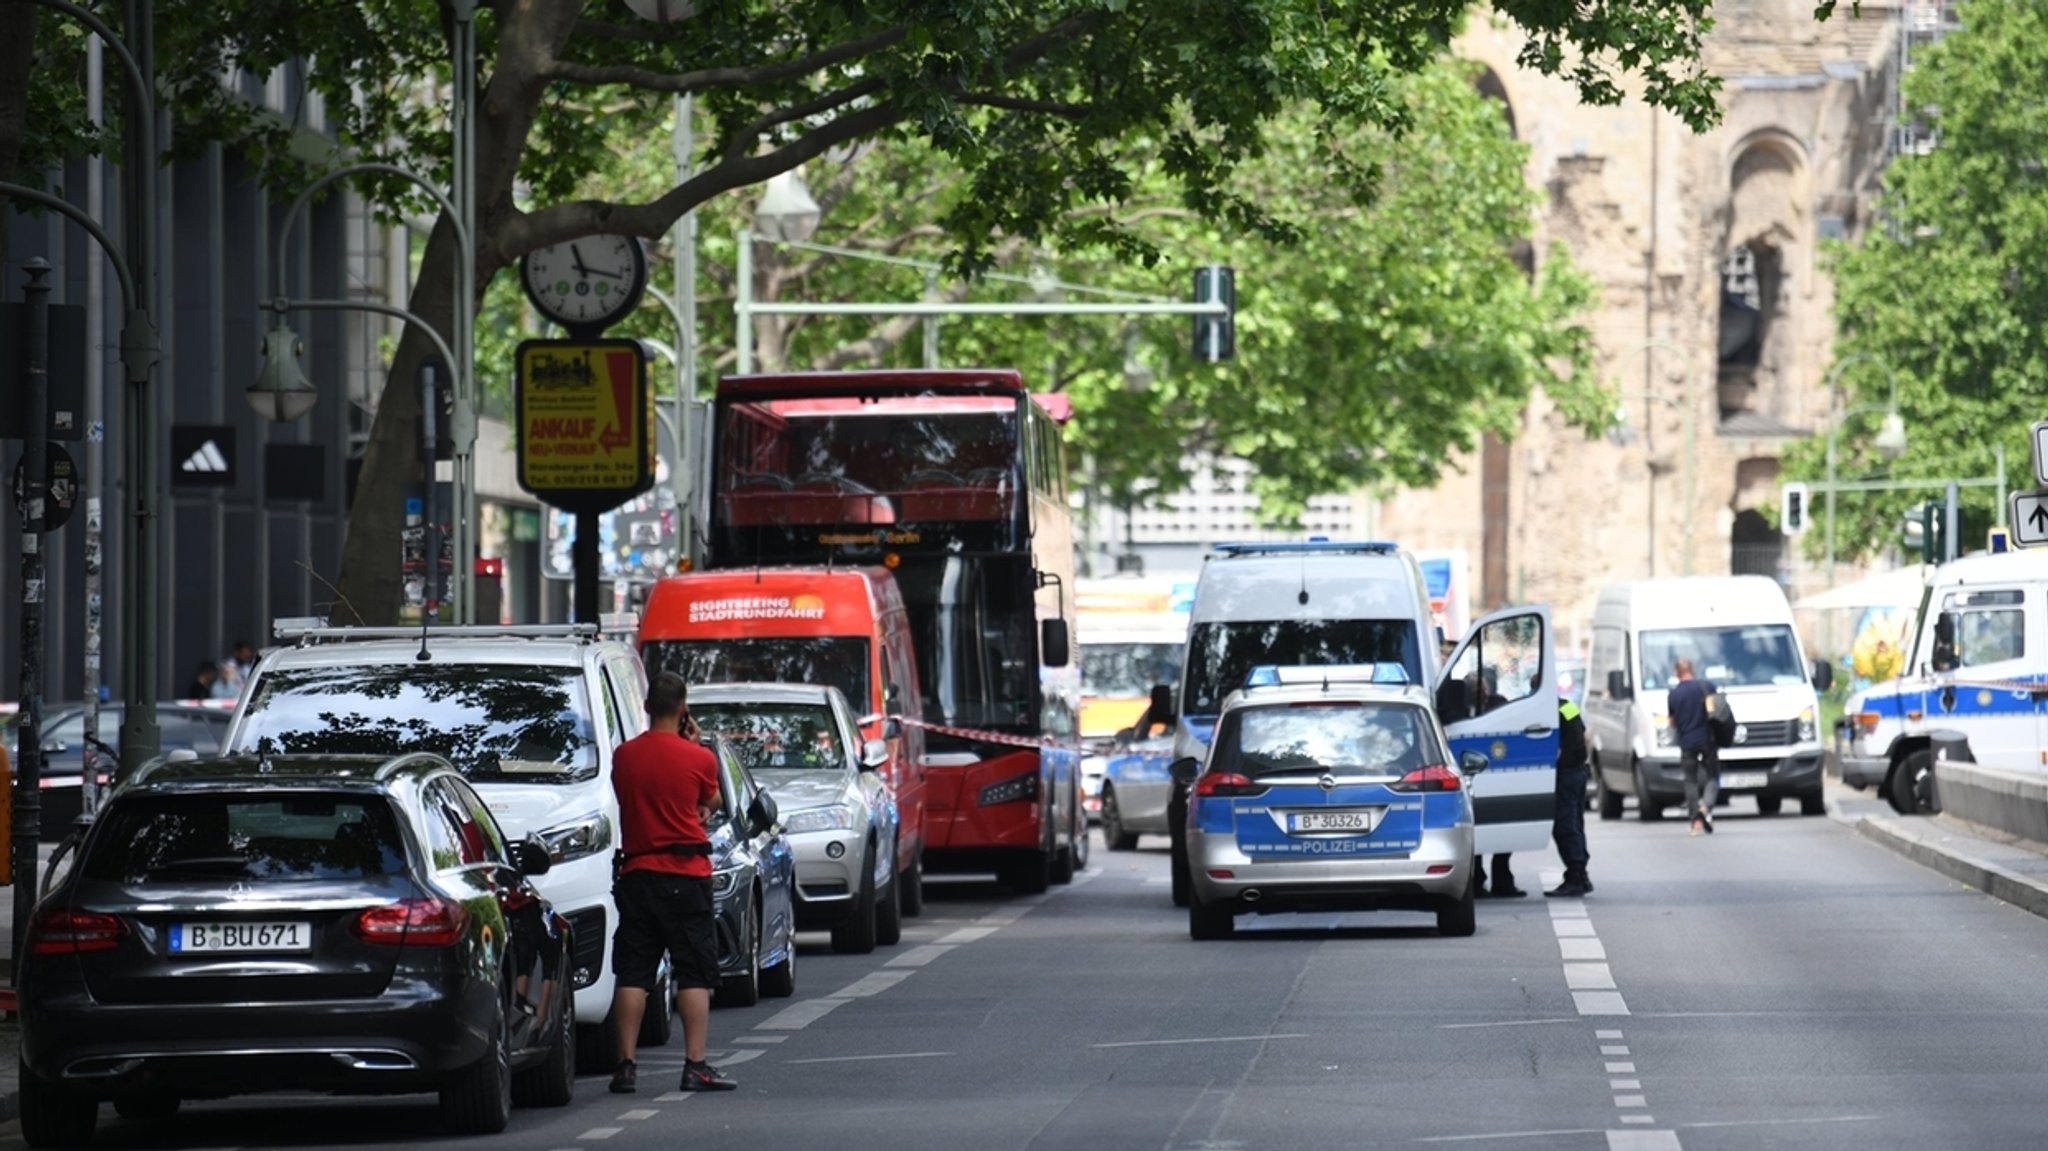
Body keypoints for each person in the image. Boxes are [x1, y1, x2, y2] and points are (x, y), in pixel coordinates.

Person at [606, 670, 737, 1095]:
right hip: (685, 877)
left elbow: (631, 797)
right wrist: (693, 746)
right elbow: (711, 801)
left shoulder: (623, 756)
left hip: (637, 876)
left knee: (634, 972)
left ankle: (625, 1066)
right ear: (683, 708)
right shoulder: (698, 758)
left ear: (646, 707)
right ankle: (695, 1065)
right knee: (693, 971)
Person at [1666, 656, 1719, 835]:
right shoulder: (1706, 687)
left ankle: (1695, 821)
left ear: (1677, 673)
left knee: (1690, 781)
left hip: (1686, 742)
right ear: (1692, 670)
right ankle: (1706, 808)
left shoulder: (1673, 695)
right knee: (1713, 776)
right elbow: (1718, 711)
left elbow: (1673, 722)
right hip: (1707, 740)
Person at [1547, 697, 1593, 897]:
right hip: (1578, 771)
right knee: (1575, 825)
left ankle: (1576, 876)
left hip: (1565, 773)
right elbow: (1583, 736)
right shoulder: (1568, 706)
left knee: (1565, 826)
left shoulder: (1548, 710)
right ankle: (1581, 876)